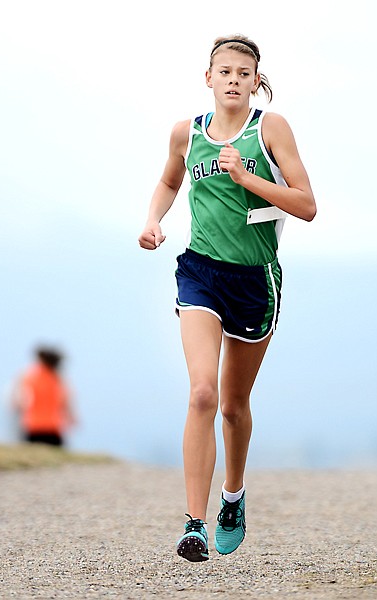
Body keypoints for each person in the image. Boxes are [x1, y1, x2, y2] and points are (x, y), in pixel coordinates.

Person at [138, 34, 316, 562]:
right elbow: (169, 182)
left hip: (255, 280)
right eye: (226, 71)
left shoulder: (271, 129)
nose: (234, 80)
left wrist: (245, 177)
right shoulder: (185, 134)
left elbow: (306, 205)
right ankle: (194, 523)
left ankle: (232, 497)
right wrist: (152, 220)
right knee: (201, 394)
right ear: (208, 78)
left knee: (235, 407)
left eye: (245, 72)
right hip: (200, 272)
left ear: (256, 80)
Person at [12, 346, 77, 447]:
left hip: (33, 425)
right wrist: (71, 417)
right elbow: (66, 402)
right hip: (52, 426)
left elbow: (18, 400)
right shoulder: (58, 379)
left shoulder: (30, 376)